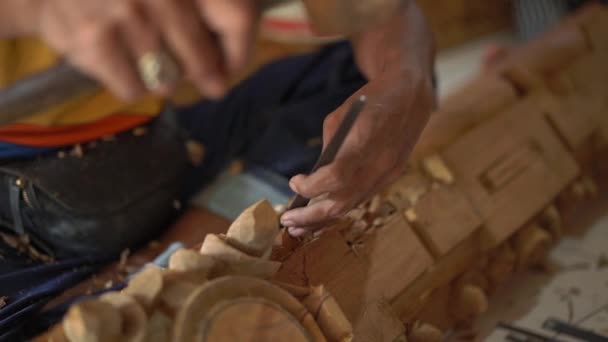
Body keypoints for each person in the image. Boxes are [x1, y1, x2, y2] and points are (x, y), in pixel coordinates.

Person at [0, 0, 434, 252]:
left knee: (346, 86)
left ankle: (174, 253)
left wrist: (405, 76)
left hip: (147, 140)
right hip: (18, 188)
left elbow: (386, 12)